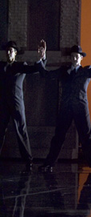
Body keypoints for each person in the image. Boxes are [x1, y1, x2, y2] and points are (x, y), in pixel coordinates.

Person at [38, 44, 91, 173]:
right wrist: (42, 58)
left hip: (81, 108)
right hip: (66, 108)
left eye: (77, 56)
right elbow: (45, 75)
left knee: (86, 136)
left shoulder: (86, 71)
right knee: (58, 136)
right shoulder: (64, 71)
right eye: (73, 56)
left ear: (81, 58)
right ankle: (49, 163)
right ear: (70, 58)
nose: (75, 58)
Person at [0, 40, 45, 171]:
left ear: (15, 54)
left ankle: (28, 160)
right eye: (7, 51)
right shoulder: (1, 66)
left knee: (21, 130)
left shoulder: (20, 66)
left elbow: (35, 69)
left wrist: (41, 57)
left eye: (11, 51)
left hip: (16, 104)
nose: (9, 53)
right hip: (3, 104)